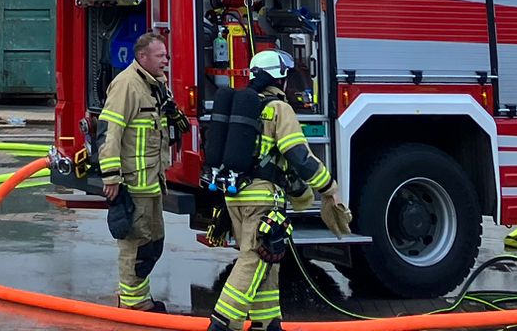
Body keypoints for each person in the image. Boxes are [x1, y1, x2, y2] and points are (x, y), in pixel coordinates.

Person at [204, 48, 348, 331]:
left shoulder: (246, 106)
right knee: (254, 259)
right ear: (280, 78)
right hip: (262, 199)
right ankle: (222, 323)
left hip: (234, 196)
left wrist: (299, 194)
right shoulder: (279, 109)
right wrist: (328, 187)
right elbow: (299, 156)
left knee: (268, 264)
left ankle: (268, 323)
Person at [101, 32, 184, 314]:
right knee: (135, 244)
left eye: (166, 55)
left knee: (152, 243)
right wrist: (111, 176)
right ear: (142, 57)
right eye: (160, 56)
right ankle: (133, 302)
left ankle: (139, 296)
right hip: (133, 182)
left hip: (152, 181)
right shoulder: (127, 85)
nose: (166, 60)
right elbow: (110, 132)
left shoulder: (157, 85)